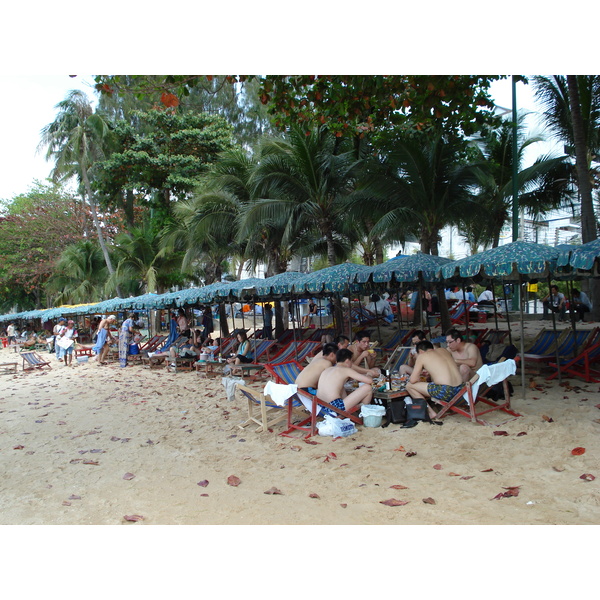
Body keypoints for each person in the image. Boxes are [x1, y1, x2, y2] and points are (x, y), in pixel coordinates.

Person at [405, 340, 464, 419]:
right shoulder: (444, 350)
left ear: (421, 351)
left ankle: (431, 412)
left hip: (445, 391)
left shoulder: (422, 356)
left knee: (409, 386)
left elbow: (412, 380)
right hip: (461, 390)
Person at [316, 348, 374, 416]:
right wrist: (369, 374)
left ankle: (355, 414)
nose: (351, 364)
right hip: (334, 408)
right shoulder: (345, 369)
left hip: (320, 408)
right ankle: (363, 415)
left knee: (342, 387)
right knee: (368, 388)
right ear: (347, 361)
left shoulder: (328, 369)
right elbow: (369, 381)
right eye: (351, 361)